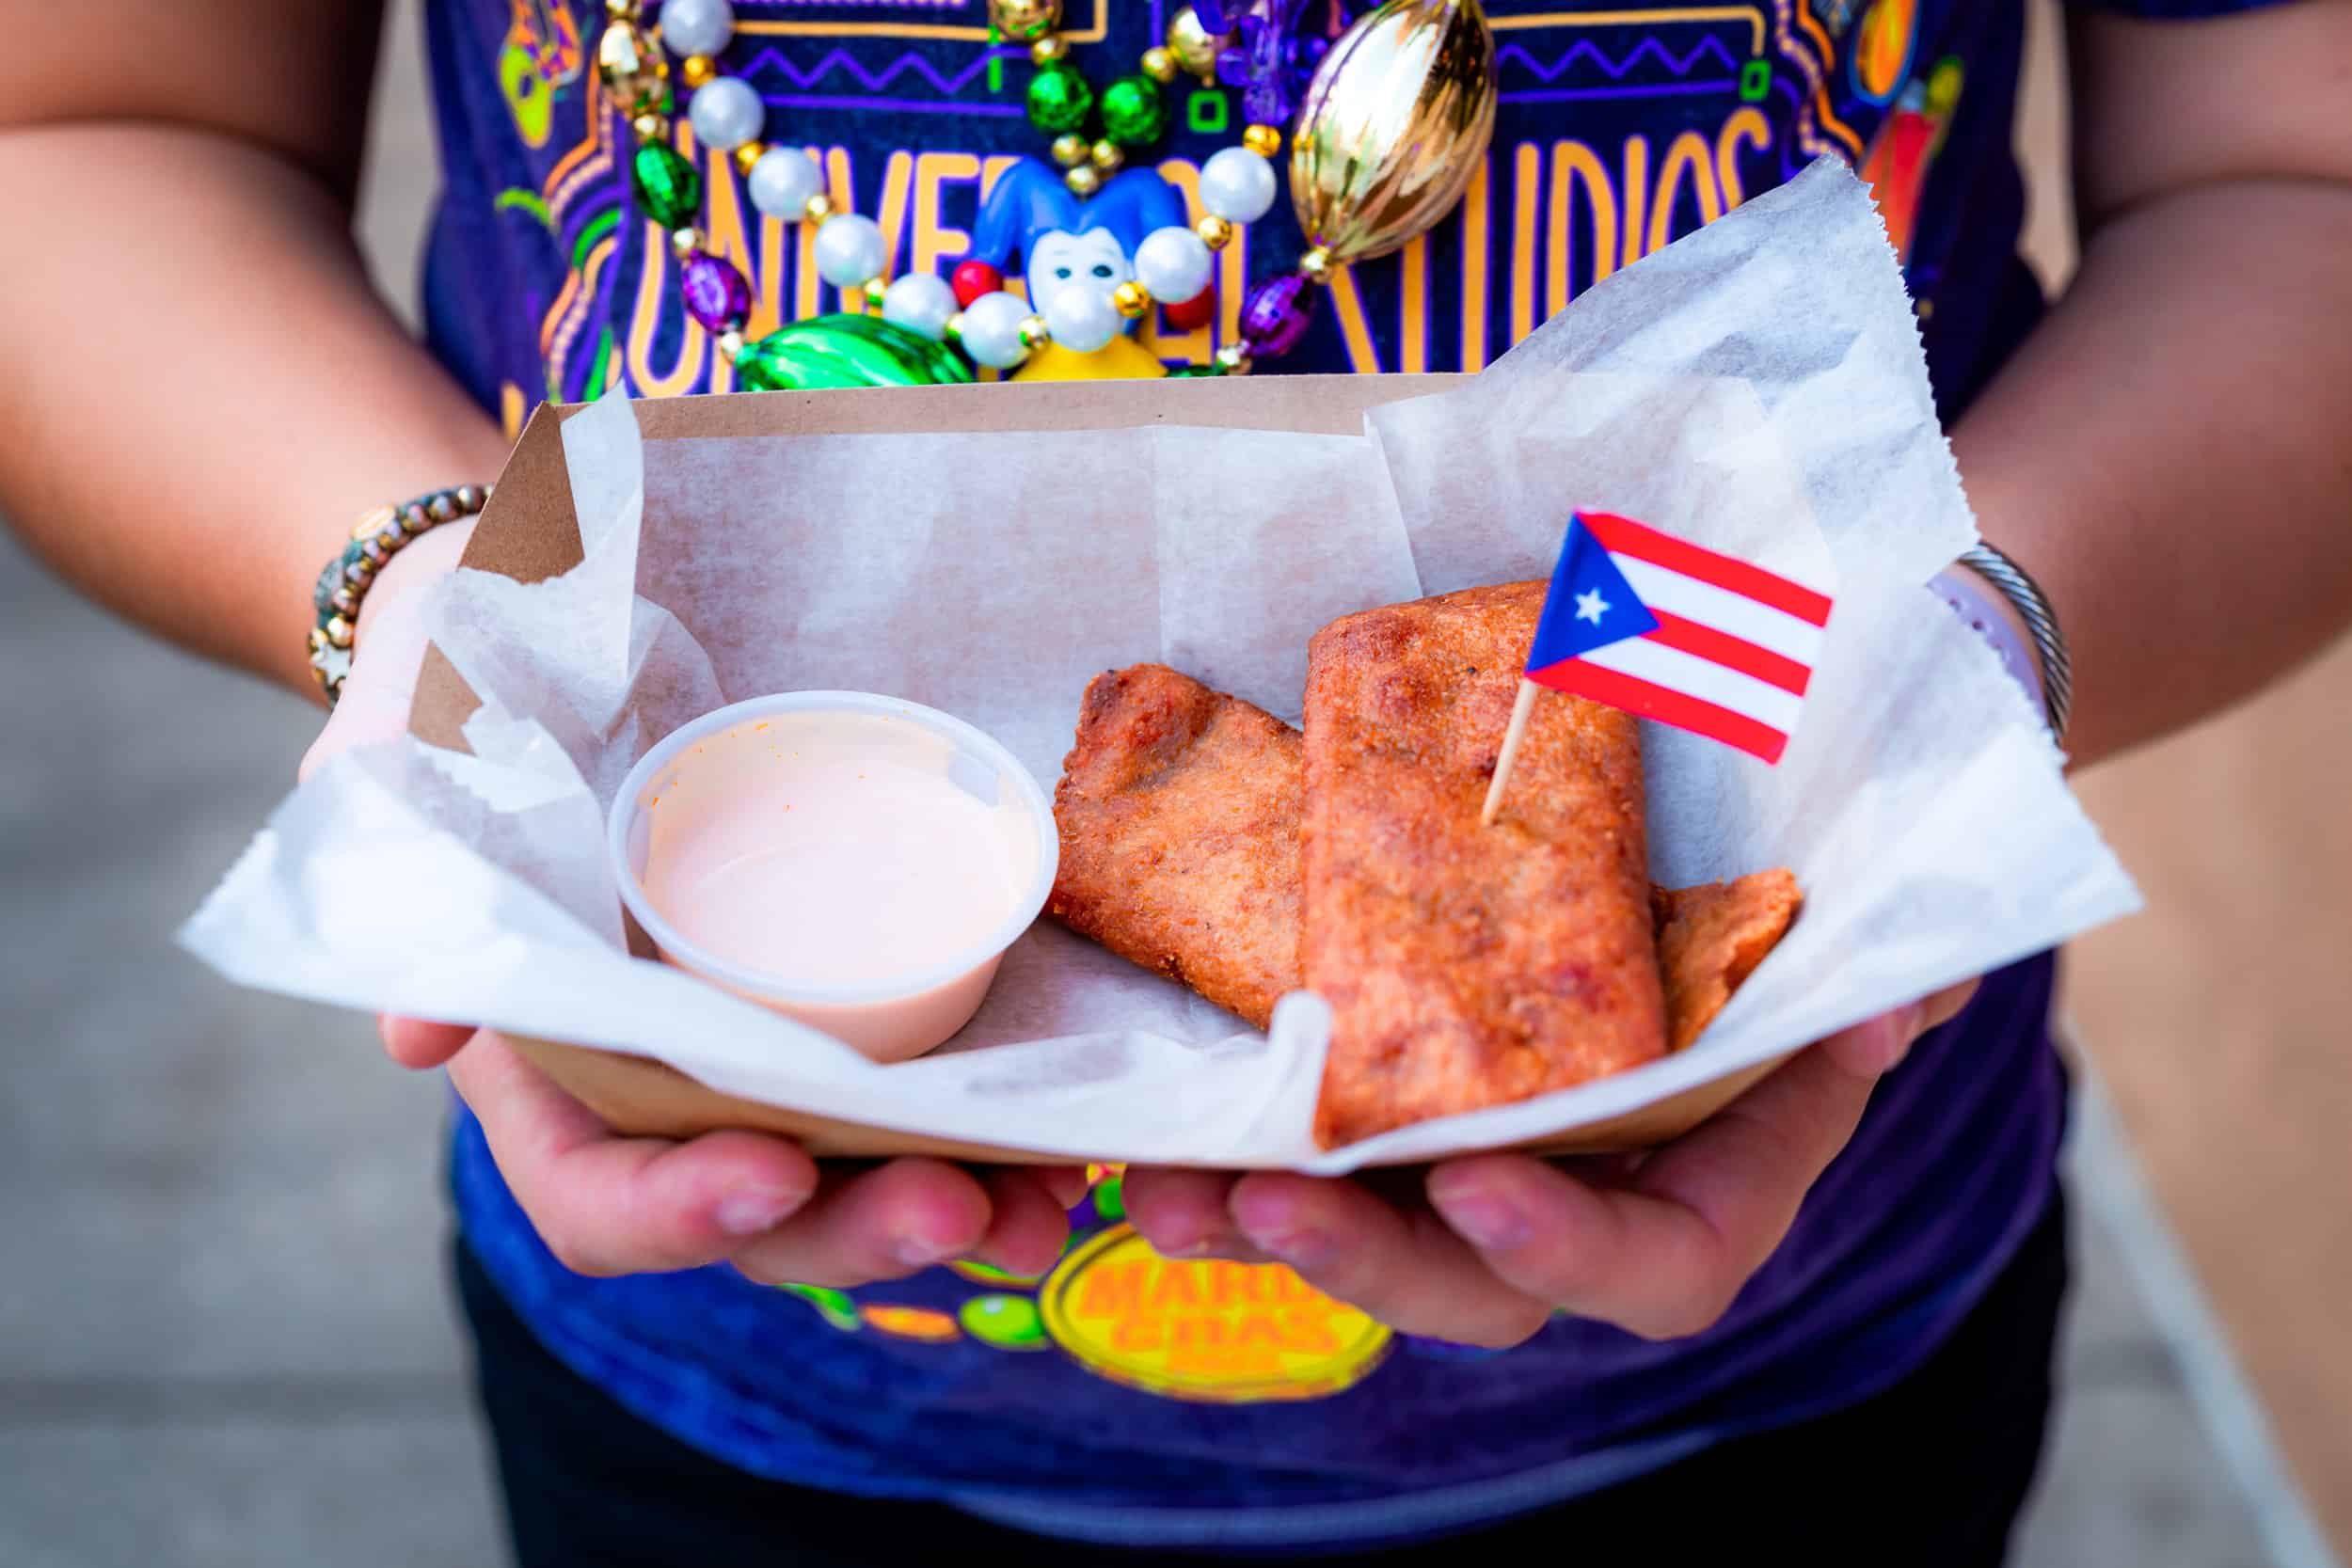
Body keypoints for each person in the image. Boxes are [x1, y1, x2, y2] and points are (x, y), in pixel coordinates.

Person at [6, 1, 2349, 1562]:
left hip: (1790, 1375)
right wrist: (442, 619)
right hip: (725, 1402)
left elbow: (2290, 175)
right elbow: (95, 128)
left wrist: (1923, 702)